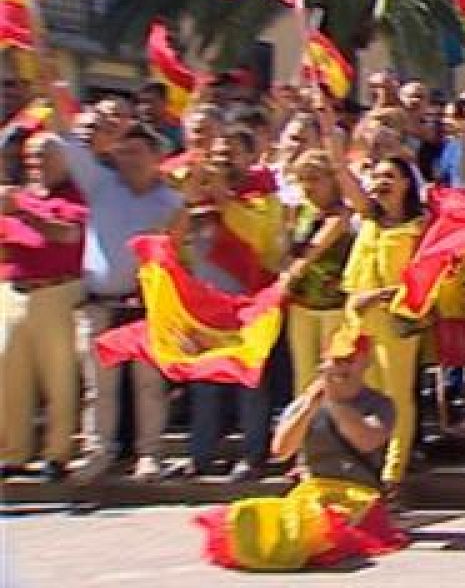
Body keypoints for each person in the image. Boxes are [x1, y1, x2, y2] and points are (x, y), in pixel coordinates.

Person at [47, 73, 184, 484]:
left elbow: (175, 251)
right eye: (124, 152)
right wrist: (57, 96)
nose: (129, 159)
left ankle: (150, 455)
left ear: (155, 157)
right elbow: (67, 145)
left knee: (148, 386)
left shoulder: (171, 201)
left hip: (144, 305)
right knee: (99, 386)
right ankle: (99, 452)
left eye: (138, 153)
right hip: (99, 301)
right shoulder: (100, 184)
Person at [195, 326, 406, 571]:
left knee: (322, 531)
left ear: (365, 363)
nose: (341, 368)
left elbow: (368, 440)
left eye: (348, 361)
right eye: (335, 361)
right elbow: (281, 450)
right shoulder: (306, 401)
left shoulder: (380, 404)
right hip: (313, 493)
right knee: (279, 521)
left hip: (361, 496)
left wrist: (335, 402)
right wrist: (309, 406)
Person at [322, 101, 428, 496]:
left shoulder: (420, 226)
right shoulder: (367, 216)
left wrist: (383, 295)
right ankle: (362, 466)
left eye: (390, 178)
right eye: (376, 177)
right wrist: (328, 124)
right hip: (356, 320)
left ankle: (392, 474)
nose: (380, 183)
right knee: (356, 393)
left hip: (395, 320)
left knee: (396, 396)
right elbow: (339, 170)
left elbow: (427, 276)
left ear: (406, 184)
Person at [171, 124, 287, 481]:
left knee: (249, 384)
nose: (223, 161)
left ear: (251, 157)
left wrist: (226, 202)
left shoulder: (265, 199)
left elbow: (262, 244)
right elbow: (179, 248)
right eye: (217, 155)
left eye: (231, 154)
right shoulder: (197, 203)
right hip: (207, 305)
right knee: (204, 383)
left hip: (249, 305)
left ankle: (253, 457)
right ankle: (200, 456)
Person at [0, 132, 88, 481]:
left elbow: (67, 235)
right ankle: (12, 453)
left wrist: (21, 211)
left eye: (45, 156)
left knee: (59, 377)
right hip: (14, 290)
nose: (36, 163)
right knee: (9, 373)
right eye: (32, 157)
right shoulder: (15, 197)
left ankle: (57, 454)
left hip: (58, 291)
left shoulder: (73, 197)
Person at [280, 149, 355, 394]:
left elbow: (314, 248)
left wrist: (290, 274)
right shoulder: (300, 211)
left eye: (315, 178)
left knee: (332, 377)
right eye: (303, 179)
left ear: (333, 180)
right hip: (301, 306)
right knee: (303, 378)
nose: (308, 186)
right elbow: (287, 250)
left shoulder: (343, 214)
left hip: (334, 308)